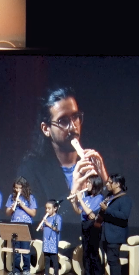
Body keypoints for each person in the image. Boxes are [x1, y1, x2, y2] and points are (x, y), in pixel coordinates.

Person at [18, 87, 109, 232]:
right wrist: (73, 197)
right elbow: (32, 222)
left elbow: (127, 218)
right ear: (46, 129)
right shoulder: (31, 169)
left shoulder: (98, 161)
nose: (73, 127)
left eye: (75, 117)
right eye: (63, 121)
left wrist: (106, 184)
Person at [99, 173, 132, 275]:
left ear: (117, 184)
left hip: (115, 235)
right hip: (106, 234)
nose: (107, 184)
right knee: (111, 260)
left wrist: (107, 209)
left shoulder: (125, 199)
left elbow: (124, 216)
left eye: (109, 182)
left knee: (113, 261)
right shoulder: (109, 197)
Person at [70, 175, 104, 275]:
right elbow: (80, 211)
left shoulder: (99, 197)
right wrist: (74, 202)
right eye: (87, 182)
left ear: (95, 184)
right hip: (85, 225)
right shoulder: (87, 198)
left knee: (93, 254)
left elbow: (91, 213)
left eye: (89, 182)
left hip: (94, 227)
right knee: (86, 253)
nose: (87, 184)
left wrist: (80, 199)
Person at [4, 177, 37, 275]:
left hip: (26, 225)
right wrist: (12, 207)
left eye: (20, 188)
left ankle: (26, 270)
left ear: (24, 188)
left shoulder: (30, 197)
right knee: (16, 250)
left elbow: (33, 213)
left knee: (25, 250)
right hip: (15, 224)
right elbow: (7, 213)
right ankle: (16, 271)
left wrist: (22, 205)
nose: (17, 190)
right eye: (16, 188)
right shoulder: (11, 197)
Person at [37, 199, 62, 275]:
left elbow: (57, 229)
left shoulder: (57, 217)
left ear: (55, 208)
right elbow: (45, 229)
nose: (47, 210)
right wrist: (42, 227)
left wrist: (48, 224)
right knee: (47, 258)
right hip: (46, 241)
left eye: (49, 208)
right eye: (46, 208)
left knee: (54, 259)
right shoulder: (47, 218)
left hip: (53, 242)